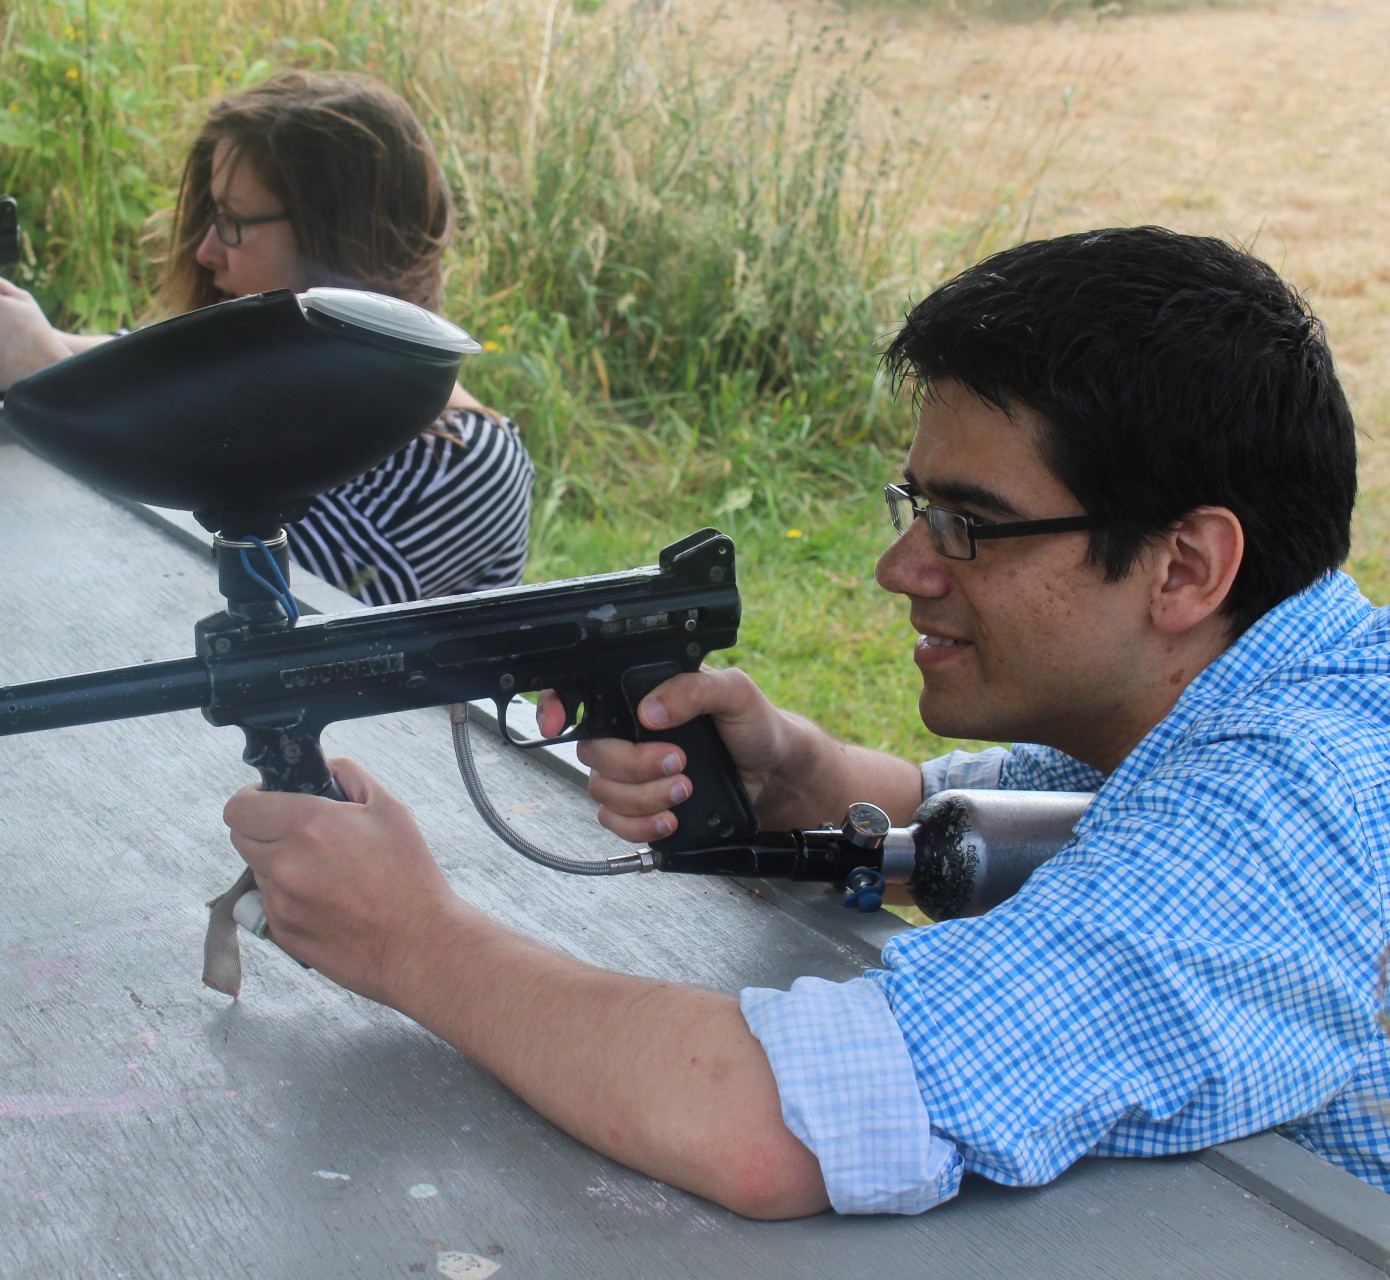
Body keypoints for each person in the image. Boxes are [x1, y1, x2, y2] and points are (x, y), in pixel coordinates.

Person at [221, 226, 1390, 1218]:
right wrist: (806, 774)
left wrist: (417, 941)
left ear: (1183, 564)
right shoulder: (1260, 696)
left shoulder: (1293, 802)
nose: (899, 567)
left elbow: (784, 1117)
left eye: (967, 525)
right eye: (916, 507)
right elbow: (1057, 814)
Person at [0, 71, 533, 605]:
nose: (207, 250)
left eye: (232, 221)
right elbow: (133, 364)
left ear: (340, 238)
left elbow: (265, 595)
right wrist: (35, 341)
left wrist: (45, 380)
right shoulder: (289, 396)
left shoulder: (471, 471)